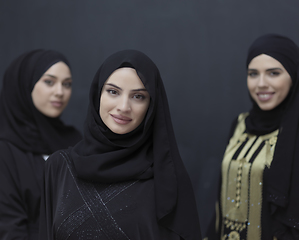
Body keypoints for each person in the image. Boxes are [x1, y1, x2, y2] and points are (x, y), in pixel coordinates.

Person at [39, 50, 201, 240]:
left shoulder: (167, 180)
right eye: (113, 92)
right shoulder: (59, 167)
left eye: (138, 96)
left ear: (152, 105)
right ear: (97, 94)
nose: (124, 107)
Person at [205, 34, 299, 240]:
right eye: (253, 74)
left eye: (274, 73)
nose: (261, 84)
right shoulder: (240, 124)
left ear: (293, 75)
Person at [0, 49, 82, 239]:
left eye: (67, 84)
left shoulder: (76, 142)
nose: (60, 92)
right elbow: (9, 228)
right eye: (49, 82)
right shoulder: (5, 150)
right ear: (25, 85)